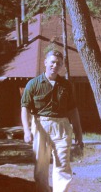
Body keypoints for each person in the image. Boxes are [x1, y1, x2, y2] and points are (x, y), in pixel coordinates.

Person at [21, 49, 84, 192]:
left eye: (59, 63)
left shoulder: (66, 85)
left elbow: (73, 110)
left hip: (62, 126)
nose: (55, 66)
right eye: (52, 62)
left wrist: (79, 134)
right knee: (41, 167)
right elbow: (24, 108)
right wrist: (26, 130)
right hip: (40, 126)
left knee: (63, 164)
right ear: (45, 63)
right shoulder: (33, 84)